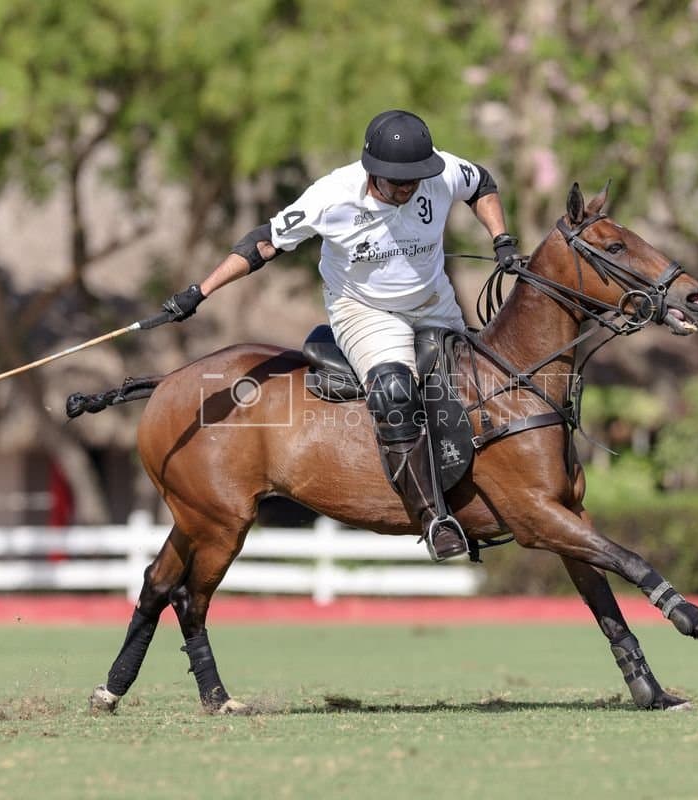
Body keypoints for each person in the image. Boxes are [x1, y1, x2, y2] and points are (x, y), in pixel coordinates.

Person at [161, 109, 520, 561]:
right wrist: (201, 290)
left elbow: (482, 182)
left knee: (480, 384)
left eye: (414, 179)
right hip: (365, 310)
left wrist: (502, 238)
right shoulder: (331, 197)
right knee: (394, 390)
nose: (408, 188)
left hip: (435, 304)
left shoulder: (441, 172)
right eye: (397, 182)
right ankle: (434, 518)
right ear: (372, 172)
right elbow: (265, 242)